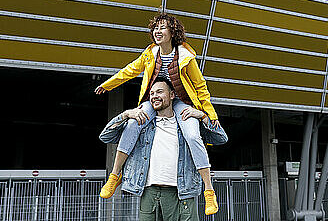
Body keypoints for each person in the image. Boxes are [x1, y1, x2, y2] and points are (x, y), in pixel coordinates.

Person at [94, 12, 221, 215]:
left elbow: (200, 86)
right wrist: (108, 85)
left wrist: (208, 113)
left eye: (162, 28)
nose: (157, 31)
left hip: (181, 102)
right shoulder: (150, 53)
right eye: (155, 28)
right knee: (133, 123)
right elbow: (129, 71)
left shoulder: (186, 57)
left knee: (192, 135)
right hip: (154, 100)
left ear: (173, 32)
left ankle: (208, 191)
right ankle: (115, 176)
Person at [99, 76, 228, 221]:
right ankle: (114, 176)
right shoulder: (143, 125)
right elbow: (106, 136)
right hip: (150, 193)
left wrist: (203, 116)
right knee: (130, 125)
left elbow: (221, 138)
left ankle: (209, 191)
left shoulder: (187, 122)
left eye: (160, 92)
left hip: (182, 194)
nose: (155, 96)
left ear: (172, 95)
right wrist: (126, 115)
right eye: (152, 93)